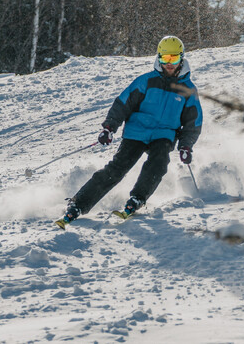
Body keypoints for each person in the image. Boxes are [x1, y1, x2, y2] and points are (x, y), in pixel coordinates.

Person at [55, 35, 203, 227]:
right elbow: (123, 104)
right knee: (117, 168)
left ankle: (137, 198)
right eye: (165, 58)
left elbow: (194, 122)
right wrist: (109, 127)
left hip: (164, 135)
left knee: (158, 162)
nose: (169, 64)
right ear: (158, 58)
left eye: (173, 59)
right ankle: (78, 204)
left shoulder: (188, 89)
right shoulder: (146, 81)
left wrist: (186, 146)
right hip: (137, 131)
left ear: (181, 59)